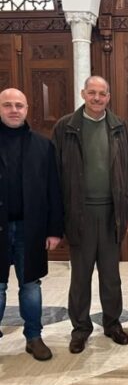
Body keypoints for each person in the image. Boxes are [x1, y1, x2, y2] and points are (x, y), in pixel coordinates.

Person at [52, 76, 128, 354]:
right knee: (80, 277)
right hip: (79, 213)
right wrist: (55, 219)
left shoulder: (119, 127)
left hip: (112, 213)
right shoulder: (65, 127)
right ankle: (80, 329)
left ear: (109, 97)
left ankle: (112, 324)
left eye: (102, 93)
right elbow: (54, 175)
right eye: (92, 92)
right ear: (83, 94)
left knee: (111, 276)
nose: (97, 98)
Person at [0, 88, 63, 360]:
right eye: (7, 105)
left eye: (19, 105)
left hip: (30, 228)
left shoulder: (43, 145)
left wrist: (54, 230)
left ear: (27, 109)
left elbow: (53, 191)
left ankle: (34, 337)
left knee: (30, 285)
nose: (14, 110)